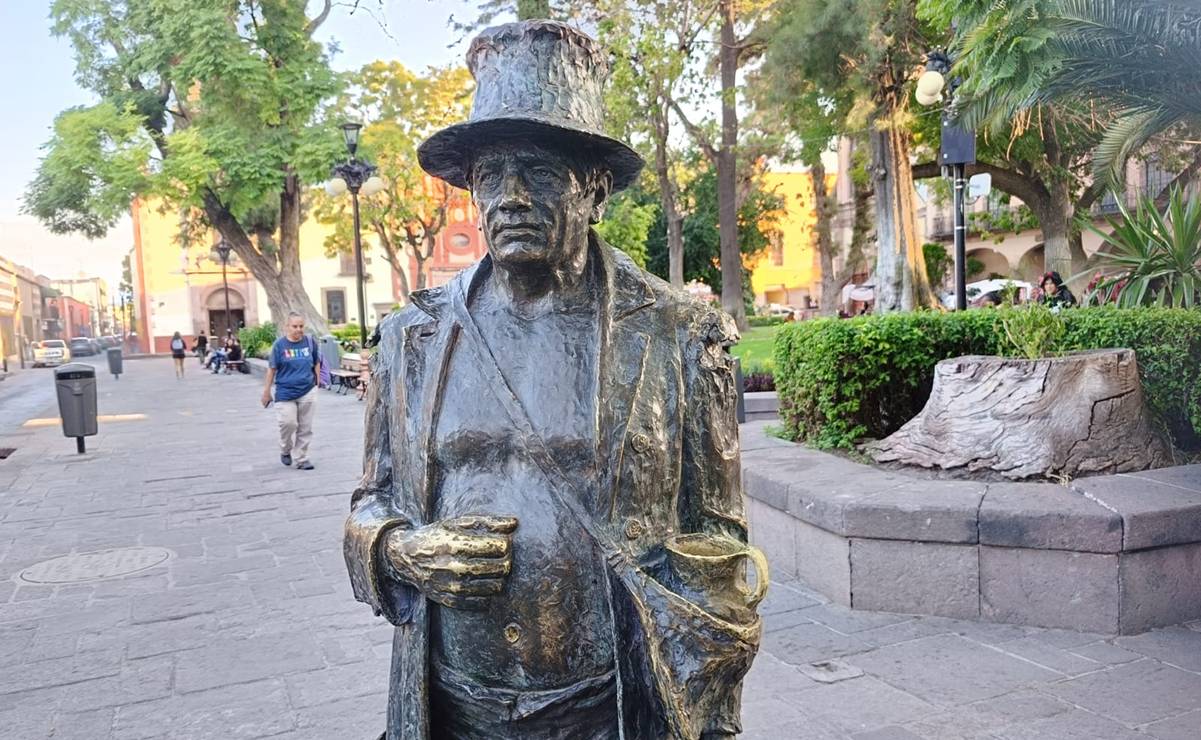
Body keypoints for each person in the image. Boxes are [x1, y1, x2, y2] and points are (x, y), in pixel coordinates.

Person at [344, 21, 763, 740]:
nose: (509, 197)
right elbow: (371, 502)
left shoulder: (681, 337)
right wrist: (397, 551)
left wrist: (712, 718)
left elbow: (719, 547)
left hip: (612, 707)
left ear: (594, 192)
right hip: (454, 704)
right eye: (489, 176)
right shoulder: (410, 338)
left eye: (538, 172)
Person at [261, 313, 320, 470]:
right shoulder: (279, 345)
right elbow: (272, 369)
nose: (298, 329)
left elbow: (316, 362)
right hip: (285, 392)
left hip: (307, 390)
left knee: (305, 427)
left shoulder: (310, 342)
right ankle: (285, 449)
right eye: (295, 326)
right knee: (288, 423)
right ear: (287, 326)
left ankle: (302, 458)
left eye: (301, 326)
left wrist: (317, 383)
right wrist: (266, 391)